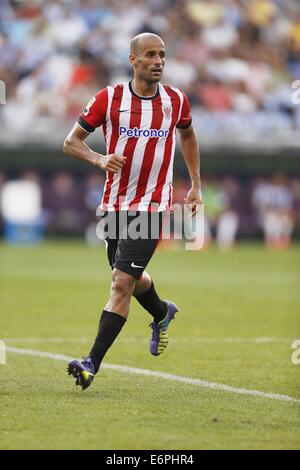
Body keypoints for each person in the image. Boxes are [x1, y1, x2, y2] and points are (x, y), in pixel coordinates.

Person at [63, 33, 202, 390]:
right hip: (114, 204)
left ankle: (91, 362)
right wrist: (99, 158)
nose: (159, 61)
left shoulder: (175, 100)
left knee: (121, 283)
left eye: (163, 55)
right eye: (151, 55)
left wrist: (196, 184)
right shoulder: (109, 99)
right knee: (130, 277)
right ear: (133, 59)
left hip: (153, 205)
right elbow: (71, 142)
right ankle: (161, 312)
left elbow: (187, 135)